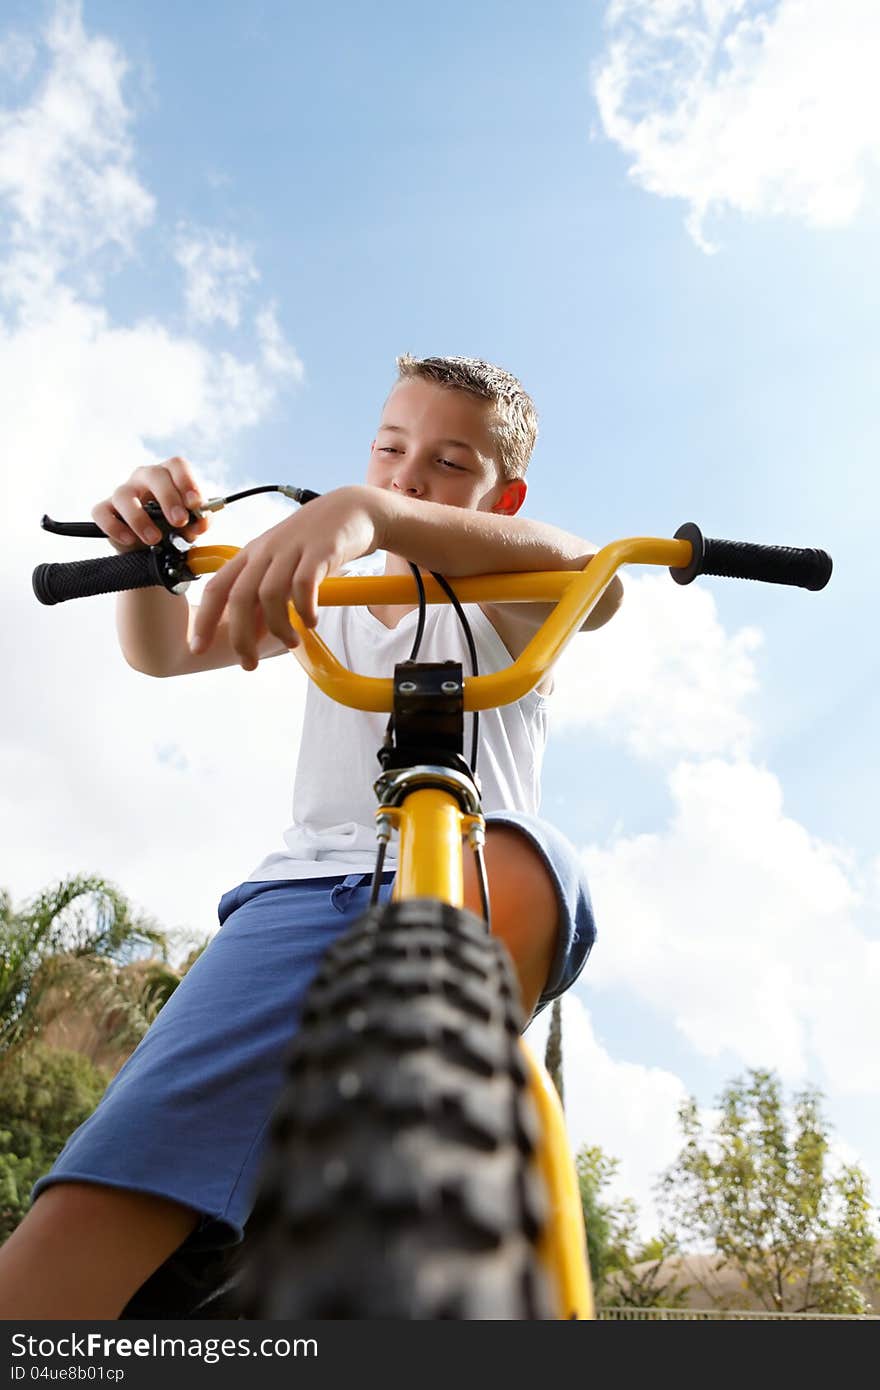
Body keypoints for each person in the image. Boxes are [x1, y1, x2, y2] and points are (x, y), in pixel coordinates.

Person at [0, 354, 623, 1318]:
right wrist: (153, 551)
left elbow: (596, 580)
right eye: (387, 450)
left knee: (523, 859)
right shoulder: (319, 591)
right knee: (88, 1218)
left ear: (504, 496)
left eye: (450, 464)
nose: (409, 473)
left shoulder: (502, 594)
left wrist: (363, 510)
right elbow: (163, 652)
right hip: (301, 899)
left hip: (472, 870)